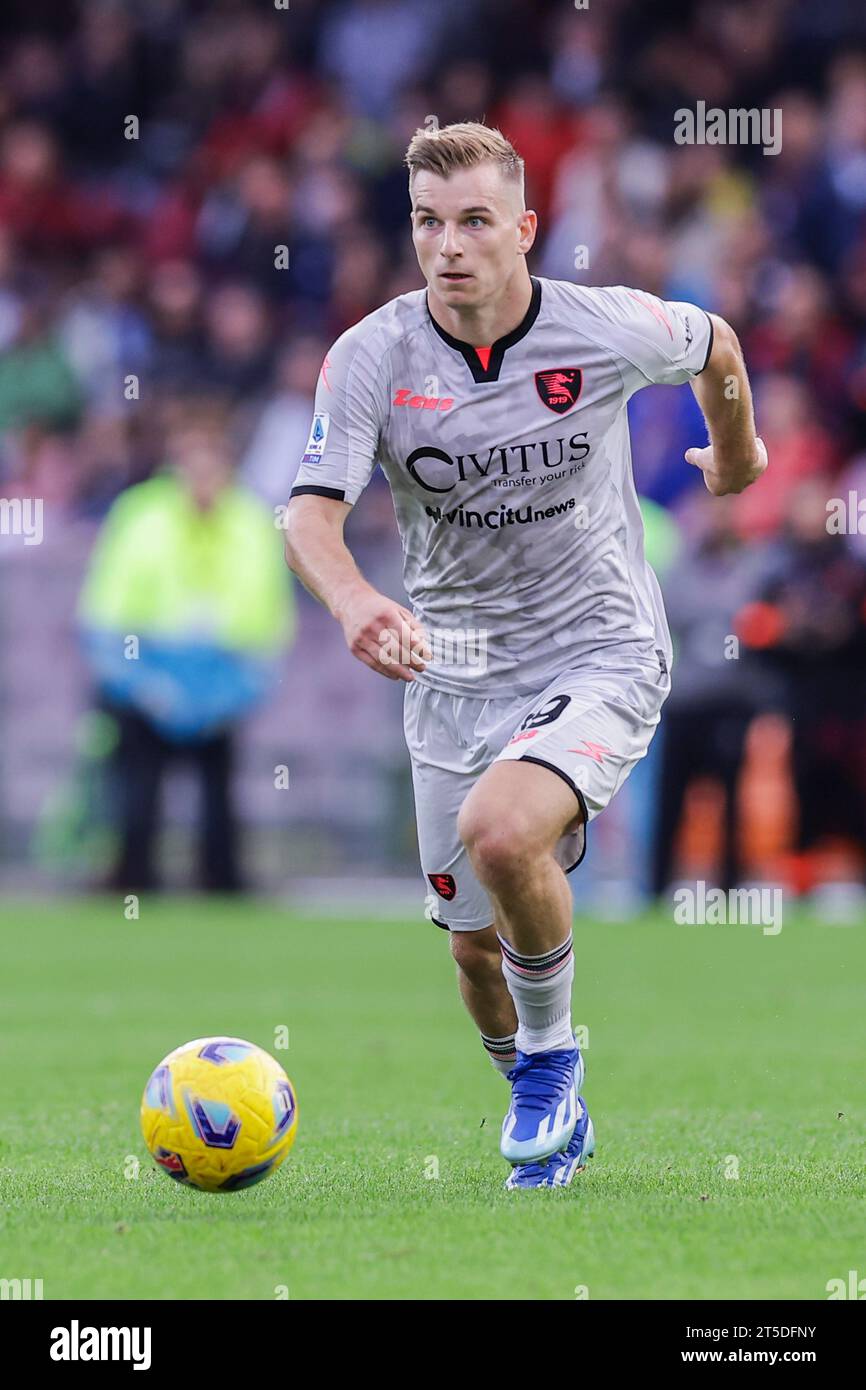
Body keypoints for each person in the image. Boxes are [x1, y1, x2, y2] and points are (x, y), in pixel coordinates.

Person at [283, 122, 767, 1190]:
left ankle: (551, 1064)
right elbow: (308, 515)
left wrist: (734, 458)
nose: (447, 246)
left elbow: (715, 344)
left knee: (501, 832)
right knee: (469, 950)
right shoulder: (371, 356)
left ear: (525, 229)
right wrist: (357, 597)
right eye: (425, 222)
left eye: (472, 222)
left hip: (598, 645)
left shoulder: (597, 327)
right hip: (453, 670)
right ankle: (545, 1098)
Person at [79, 400, 294, 892]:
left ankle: (221, 879)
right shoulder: (139, 513)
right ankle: (131, 877)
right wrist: (141, 682)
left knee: (219, 791)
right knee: (138, 787)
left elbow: (268, 617)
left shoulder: (251, 519)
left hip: (219, 675)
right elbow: (106, 610)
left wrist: (235, 688)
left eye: (211, 457)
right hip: (147, 671)